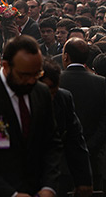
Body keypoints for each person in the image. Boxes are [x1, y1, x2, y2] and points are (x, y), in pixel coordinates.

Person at [0, 35, 62, 197]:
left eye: (36, 74)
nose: (31, 81)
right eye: (24, 75)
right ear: (6, 66)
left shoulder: (40, 92)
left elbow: (51, 142)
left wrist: (49, 186)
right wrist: (12, 194)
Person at [59, 38, 106, 192]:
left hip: (61, 161)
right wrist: (90, 147)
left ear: (65, 56)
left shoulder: (56, 82)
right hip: (92, 159)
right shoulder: (101, 82)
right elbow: (104, 120)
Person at [40, 58, 93, 197]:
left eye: (54, 91)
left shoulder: (63, 98)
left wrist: (83, 181)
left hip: (53, 172)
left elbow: (75, 140)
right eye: (47, 91)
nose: (50, 97)